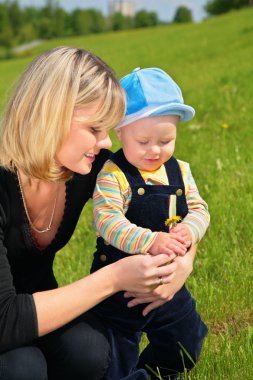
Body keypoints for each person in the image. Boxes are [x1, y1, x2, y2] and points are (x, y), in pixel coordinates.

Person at [0, 49, 184, 380]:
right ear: (50, 115)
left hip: (37, 311)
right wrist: (114, 278)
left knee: (89, 349)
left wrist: (181, 266)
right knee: (22, 367)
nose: (106, 142)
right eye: (95, 128)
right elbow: (4, 320)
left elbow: (171, 196)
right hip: (6, 323)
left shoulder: (87, 168)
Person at [91, 67, 210, 379]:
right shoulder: (113, 174)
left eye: (166, 140)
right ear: (120, 132)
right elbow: (107, 221)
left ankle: (155, 371)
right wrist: (150, 240)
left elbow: (199, 208)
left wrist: (190, 229)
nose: (155, 150)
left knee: (186, 340)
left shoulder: (179, 171)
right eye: (143, 141)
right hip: (120, 288)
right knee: (115, 357)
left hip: (166, 280)